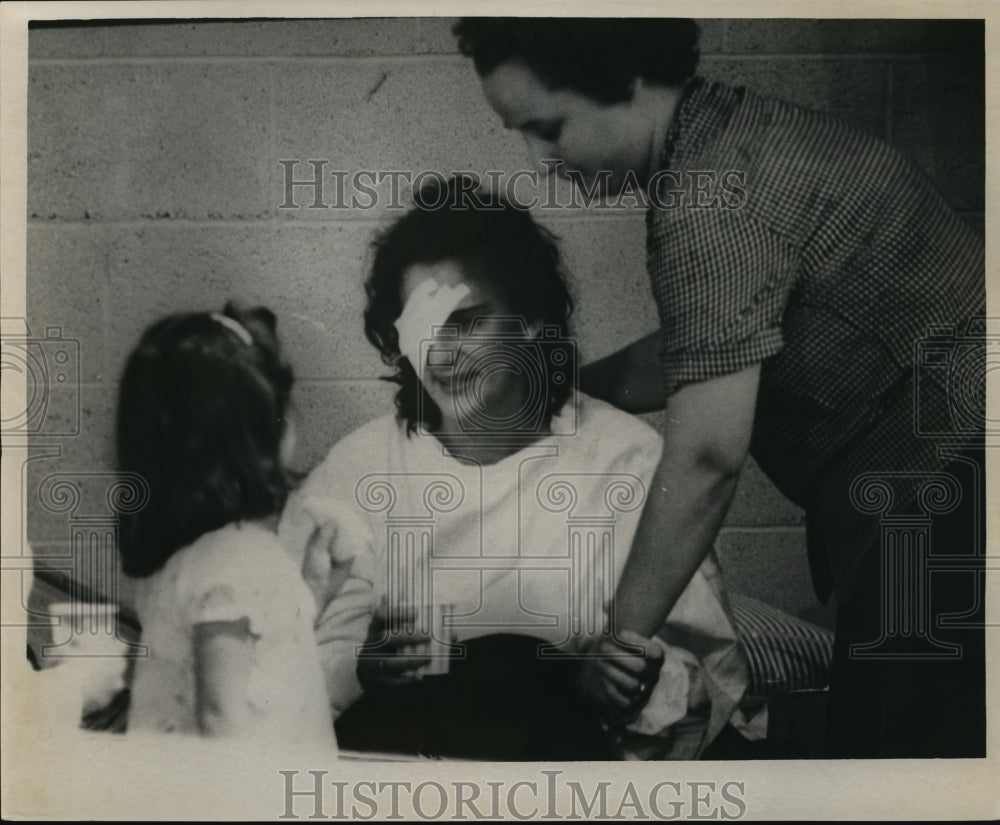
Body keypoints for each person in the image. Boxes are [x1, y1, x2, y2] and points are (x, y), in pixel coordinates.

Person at [453, 17, 986, 758]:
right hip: (946, 478)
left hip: (953, 487)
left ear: (619, 77)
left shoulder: (708, 207)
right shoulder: (728, 140)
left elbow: (705, 459)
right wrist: (559, 388)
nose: (540, 160)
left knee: (900, 770)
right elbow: (712, 341)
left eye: (548, 127)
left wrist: (618, 641)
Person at [278, 176, 749, 760]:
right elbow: (277, 675)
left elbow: (710, 679)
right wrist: (362, 671)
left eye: (467, 321)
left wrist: (629, 684)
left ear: (529, 320)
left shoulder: (626, 462)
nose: (441, 356)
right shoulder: (361, 470)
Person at [117, 304, 336, 747]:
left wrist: (313, 584)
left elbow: (266, 662)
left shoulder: (189, 558)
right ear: (258, 435)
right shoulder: (238, 557)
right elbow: (220, 716)